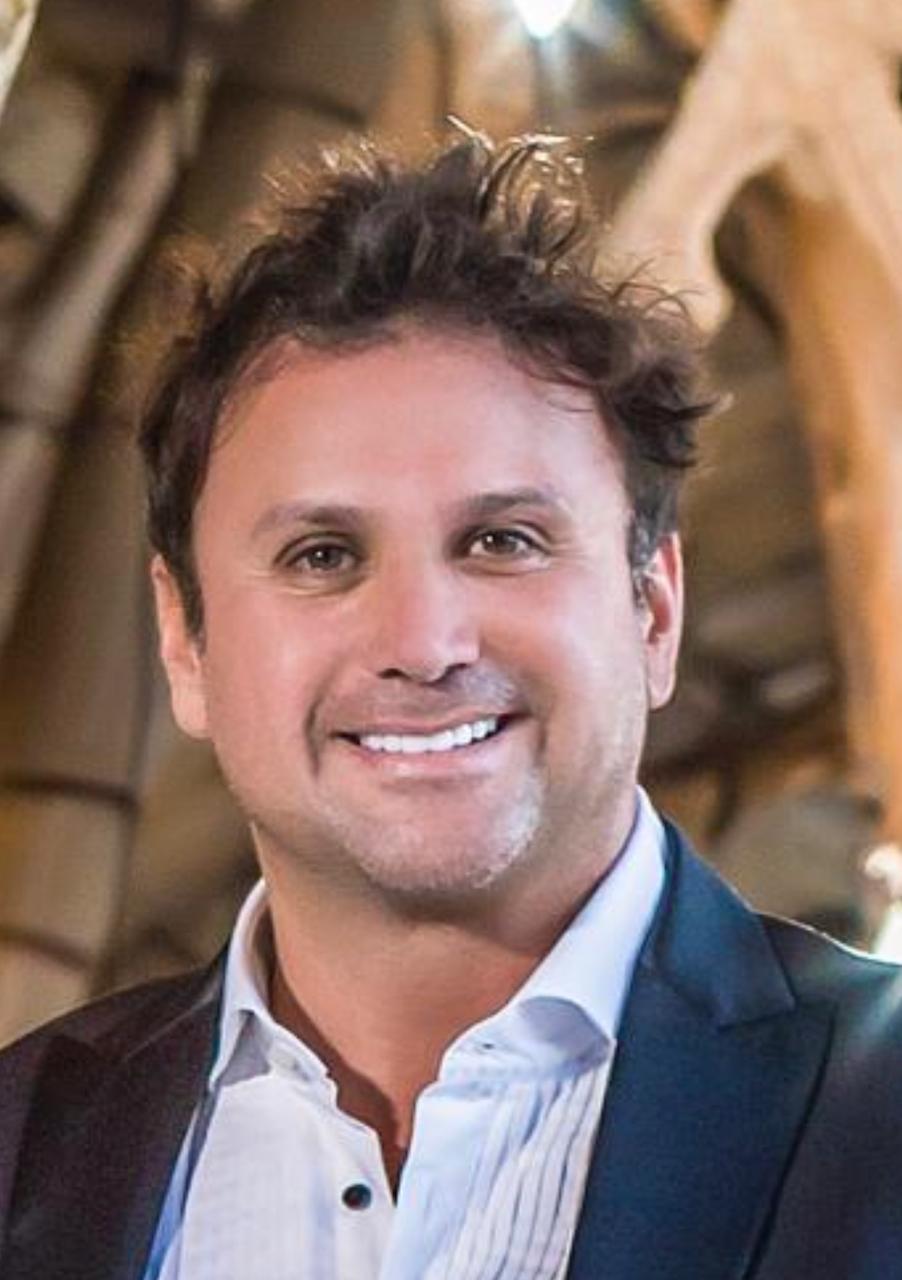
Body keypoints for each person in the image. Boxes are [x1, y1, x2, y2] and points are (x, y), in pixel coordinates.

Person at [0, 129, 900, 1280]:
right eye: (322, 555)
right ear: (185, 636)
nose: (422, 645)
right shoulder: (21, 1144)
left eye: (501, 539)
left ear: (652, 607)